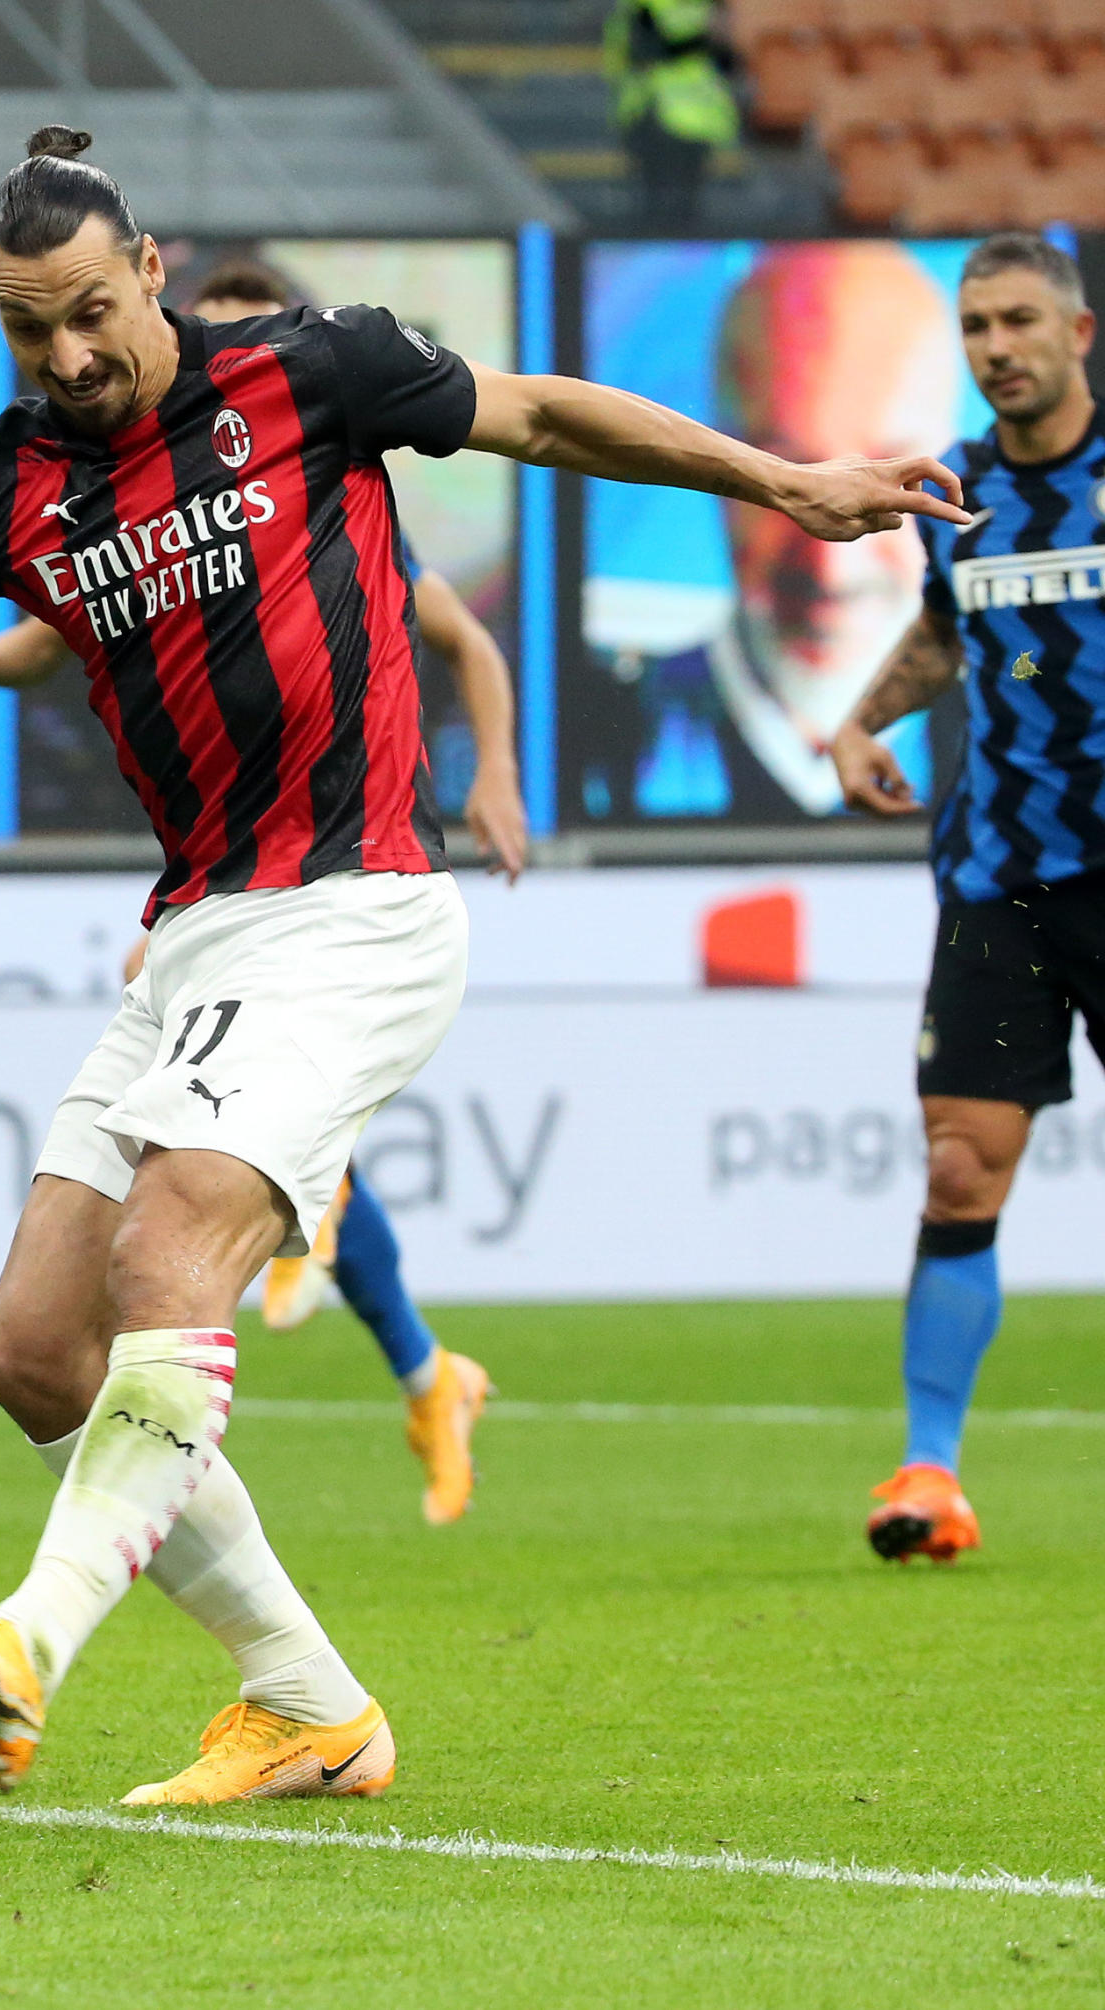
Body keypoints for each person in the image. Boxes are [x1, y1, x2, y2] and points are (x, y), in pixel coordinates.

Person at [0, 128, 963, 1803]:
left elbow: (549, 414)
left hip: (358, 907)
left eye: (85, 315)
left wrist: (782, 479)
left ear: (145, 271)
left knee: (177, 1238)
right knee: (31, 1352)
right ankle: (305, 1702)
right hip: (195, 935)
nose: (63, 358)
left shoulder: (316, 374)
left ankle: (25, 1646)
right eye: (25, 329)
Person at [0, 256, 519, 1527]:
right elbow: (53, 628)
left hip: (353, 882)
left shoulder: (324, 477)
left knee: (214, 1205)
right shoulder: (123, 508)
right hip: (223, 895)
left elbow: (465, 637)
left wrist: (497, 772)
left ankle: (54, 1623)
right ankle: (423, 1374)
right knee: (171, 1242)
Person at [826, 233, 1100, 1566]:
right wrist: (858, 719)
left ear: (1078, 334)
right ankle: (930, 1470)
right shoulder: (968, 489)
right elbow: (948, 627)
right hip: (999, 885)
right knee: (956, 1166)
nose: (997, 345)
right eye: (978, 324)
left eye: (1019, 321)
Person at [578, 244, 964, 822]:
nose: (834, 563)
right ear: (712, 475)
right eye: (785, 473)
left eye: (895, 473)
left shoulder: (1018, 738)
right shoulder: (604, 750)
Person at [604, 0, 739, 231]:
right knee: (660, 201)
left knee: (686, 203)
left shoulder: (710, 7)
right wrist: (705, 38)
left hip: (697, 120)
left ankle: (682, 256)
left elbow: (727, 62)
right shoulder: (646, 7)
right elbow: (645, 51)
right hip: (655, 115)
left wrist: (720, 39)